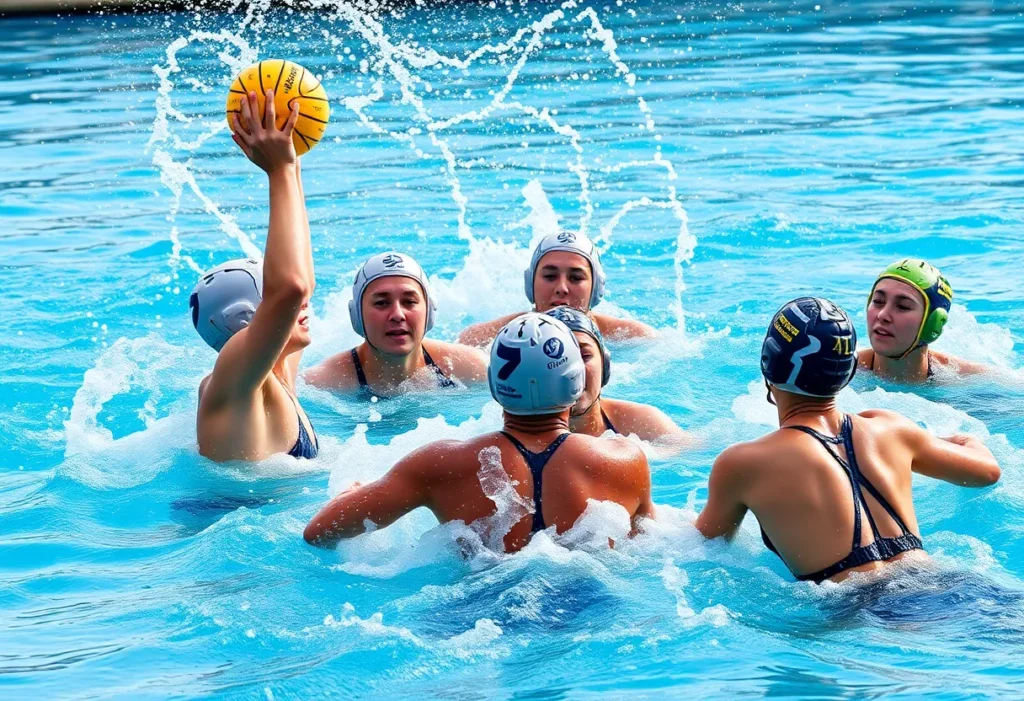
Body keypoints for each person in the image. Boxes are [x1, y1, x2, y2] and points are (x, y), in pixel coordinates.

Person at [696, 297, 1000, 583]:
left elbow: (705, 547)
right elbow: (987, 472)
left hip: (867, 608)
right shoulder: (892, 428)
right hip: (948, 583)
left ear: (768, 361)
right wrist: (963, 438)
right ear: (848, 371)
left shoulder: (743, 462)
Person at [304, 313, 654, 551]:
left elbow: (319, 533)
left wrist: (350, 496)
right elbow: (649, 546)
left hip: (478, 608)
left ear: (494, 385)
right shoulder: (625, 461)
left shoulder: (440, 464)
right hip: (589, 608)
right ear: (575, 383)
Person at [190, 88, 318, 462]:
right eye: (269, 294)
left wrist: (292, 162)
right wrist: (278, 171)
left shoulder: (276, 372)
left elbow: (301, 283)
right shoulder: (235, 382)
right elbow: (291, 288)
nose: (305, 304)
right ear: (245, 318)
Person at [305, 252, 488, 397]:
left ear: (430, 311)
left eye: (409, 302)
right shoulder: (319, 385)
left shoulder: (473, 367)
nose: (398, 315)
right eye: (381, 303)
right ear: (357, 316)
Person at [457, 231, 657, 347]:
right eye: (550, 276)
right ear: (530, 284)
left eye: (576, 278)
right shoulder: (485, 338)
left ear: (596, 288)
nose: (562, 288)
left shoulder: (634, 338)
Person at [545, 306, 693, 451]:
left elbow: (692, 451)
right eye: (556, 358)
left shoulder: (644, 424)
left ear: (604, 364)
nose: (573, 370)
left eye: (584, 356)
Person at [858, 258, 987, 382]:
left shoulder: (973, 380)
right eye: (878, 301)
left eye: (903, 306)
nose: (882, 315)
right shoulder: (848, 371)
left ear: (932, 323)